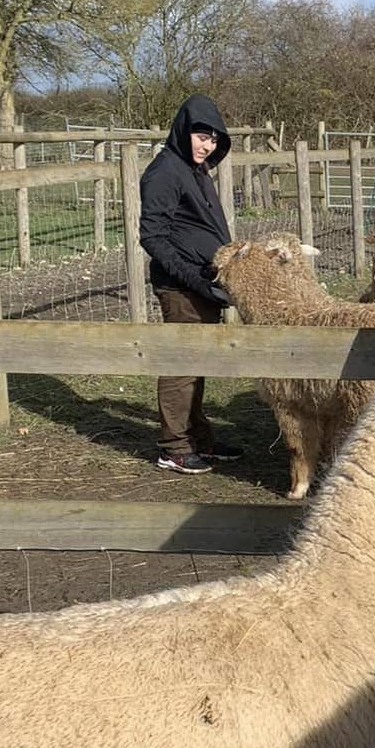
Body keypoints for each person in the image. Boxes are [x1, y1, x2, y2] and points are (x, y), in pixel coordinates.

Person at [138, 93, 242, 474]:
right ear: (184, 130)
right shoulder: (164, 171)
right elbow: (153, 236)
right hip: (181, 287)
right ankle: (174, 447)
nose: (207, 145)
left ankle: (200, 439)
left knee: (197, 364)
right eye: (201, 136)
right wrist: (193, 276)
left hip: (204, 285)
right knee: (181, 364)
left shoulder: (194, 171)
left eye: (214, 139)